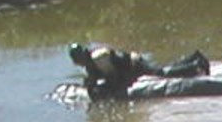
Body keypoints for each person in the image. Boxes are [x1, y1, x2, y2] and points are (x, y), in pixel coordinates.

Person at [67, 42, 210, 99]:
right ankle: (194, 58)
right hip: (129, 66)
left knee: (162, 73)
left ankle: (197, 65)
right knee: (162, 69)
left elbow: (115, 78)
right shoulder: (90, 63)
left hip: (134, 64)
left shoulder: (98, 58)